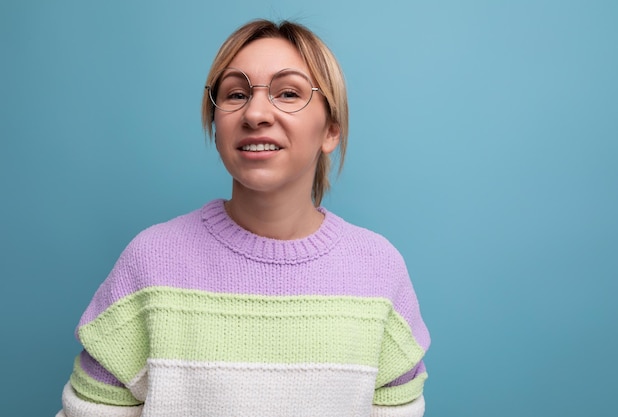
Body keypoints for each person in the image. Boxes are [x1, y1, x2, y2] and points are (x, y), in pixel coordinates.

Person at [56, 19, 430, 417]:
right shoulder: (150, 262)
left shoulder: (380, 270)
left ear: (331, 131)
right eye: (235, 94)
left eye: (288, 93)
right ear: (215, 123)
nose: (255, 113)